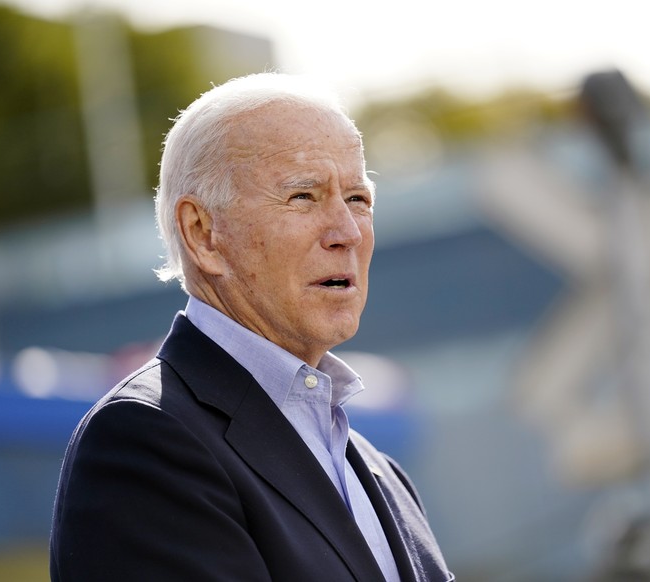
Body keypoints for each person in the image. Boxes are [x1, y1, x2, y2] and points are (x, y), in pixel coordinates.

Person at [49, 73, 452, 581]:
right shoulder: (145, 441)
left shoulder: (379, 473)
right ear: (203, 234)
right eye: (304, 196)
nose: (347, 232)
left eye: (357, 200)